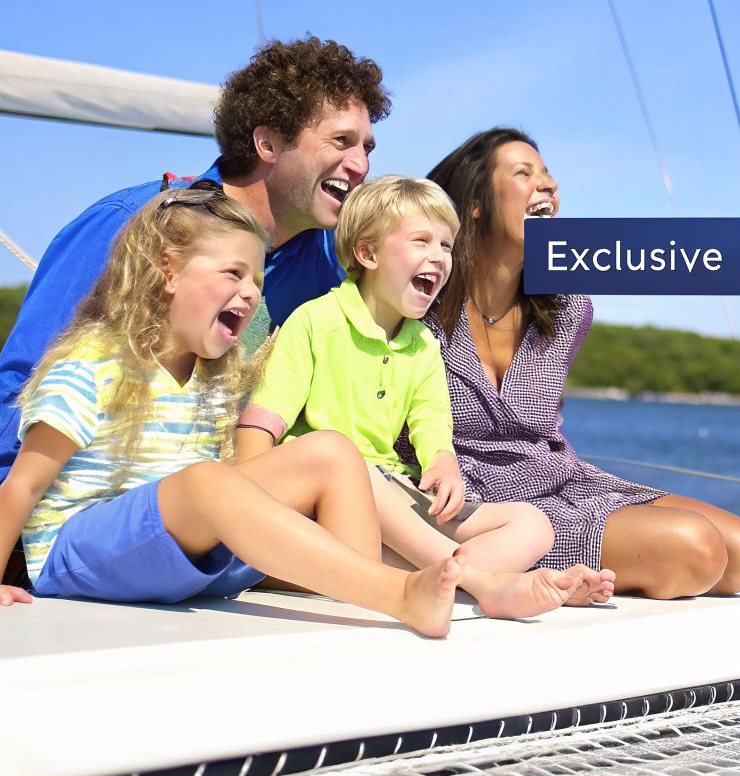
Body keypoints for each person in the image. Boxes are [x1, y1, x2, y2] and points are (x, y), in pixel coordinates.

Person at [0, 189, 544, 635]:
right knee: (206, 482)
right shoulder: (92, 365)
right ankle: (401, 593)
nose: (251, 291)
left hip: (181, 548)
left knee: (329, 449)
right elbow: (22, 484)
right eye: (233, 272)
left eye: (255, 276)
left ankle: (363, 596)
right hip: (82, 550)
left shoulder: (214, 377)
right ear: (166, 274)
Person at [0, 37, 388, 557]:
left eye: (366, 147)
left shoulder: (325, 266)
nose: (360, 165)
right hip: (81, 533)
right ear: (268, 144)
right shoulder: (133, 226)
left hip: (218, 520)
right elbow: (28, 379)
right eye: (341, 141)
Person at [414, 128, 740, 600]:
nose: (548, 185)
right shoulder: (421, 298)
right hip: (473, 504)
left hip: (560, 480)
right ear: (475, 202)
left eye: (547, 175)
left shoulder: (567, 306)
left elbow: (546, 422)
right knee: (698, 551)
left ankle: (558, 564)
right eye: (525, 173)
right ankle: (513, 569)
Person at [235, 176, 614, 605]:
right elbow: (262, 421)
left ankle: (434, 578)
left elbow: (431, 420)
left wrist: (443, 461)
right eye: (422, 241)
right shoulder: (316, 321)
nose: (439, 257)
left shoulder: (424, 344)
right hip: (323, 500)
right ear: (367, 252)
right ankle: (486, 584)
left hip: (393, 496)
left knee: (533, 525)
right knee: (351, 464)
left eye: (447, 246)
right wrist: (251, 512)